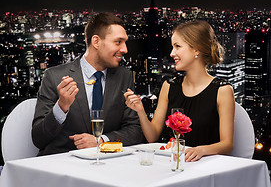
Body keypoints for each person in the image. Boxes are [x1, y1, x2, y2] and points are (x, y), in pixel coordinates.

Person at [32, 12, 144, 156]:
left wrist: (102, 141)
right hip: (63, 167)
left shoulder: (124, 76)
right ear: (96, 41)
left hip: (108, 166)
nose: (125, 49)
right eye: (118, 42)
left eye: (125, 42)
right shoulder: (54, 76)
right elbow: (38, 139)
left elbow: (134, 131)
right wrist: (61, 107)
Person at [124, 20, 235, 162]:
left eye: (177, 46)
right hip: (173, 164)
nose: (172, 53)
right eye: (172, 47)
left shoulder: (222, 90)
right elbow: (152, 137)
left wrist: (201, 150)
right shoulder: (169, 86)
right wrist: (139, 110)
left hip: (206, 165)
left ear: (197, 49)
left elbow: (227, 144)